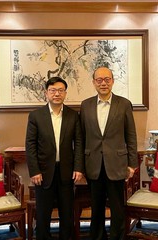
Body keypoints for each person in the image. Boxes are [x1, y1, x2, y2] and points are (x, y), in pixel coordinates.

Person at [80, 66, 138, 240]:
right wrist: (80, 166)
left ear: (112, 81)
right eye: (99, 80)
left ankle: (117, 237)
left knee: (117, 207)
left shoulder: (124, 104)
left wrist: (132, 163)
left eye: (107, 79)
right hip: (93, 164)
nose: (103, 83)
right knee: (96, 207)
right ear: (93, 83)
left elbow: (131, 135)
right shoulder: (86, 105)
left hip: (117, 164)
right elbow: (81, 138)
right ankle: (97, 237)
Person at [26, 76, 84, 240]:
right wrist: (34, 170)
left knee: (67, 214)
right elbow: (30, 145)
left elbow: (78, 143)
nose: (56, 94)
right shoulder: (36, 116)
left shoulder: (73, 116)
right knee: (43, 214)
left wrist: (78, 167)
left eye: (60, 90)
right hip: (43, 173)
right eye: (52, 90)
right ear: (46, 93)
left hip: (67, 171)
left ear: (65, 93)